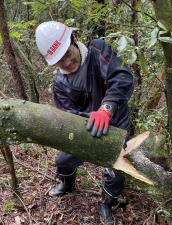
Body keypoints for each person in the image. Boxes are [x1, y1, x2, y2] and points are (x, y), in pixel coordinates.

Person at [35, 21, 134, 225]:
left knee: (116, 172)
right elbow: (66, 114)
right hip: (86, 128)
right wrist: (83, 121)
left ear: (74, 40)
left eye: (68, 55)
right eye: (59, 61)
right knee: (63, 160)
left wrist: (106, 108)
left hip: (115, 122)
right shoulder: (60, 83)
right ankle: (67, 183)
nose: (67, 64)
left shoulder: (97, 50)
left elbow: (122, 77)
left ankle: (108, 201)